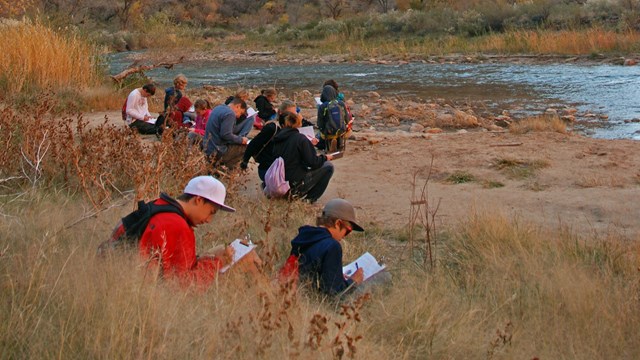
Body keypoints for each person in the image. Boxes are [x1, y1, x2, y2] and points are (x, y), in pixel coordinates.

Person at [138, 176, 237, 287]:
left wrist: (207, 257)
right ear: (198, 200)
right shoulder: (178, 226)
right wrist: (218, 262)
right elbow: (184, 285)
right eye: (211, 212)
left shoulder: (159, 206)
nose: (209, 220)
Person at [288, 198, 365, 296]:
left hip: (294, 294)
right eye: (348, 231)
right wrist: (354, 281)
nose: (344, 237)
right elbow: (334, 296)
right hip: (313, 302)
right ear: (337, 223)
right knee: (383, 277)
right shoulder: (332, 246)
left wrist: (337, 276)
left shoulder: (306, 237)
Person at [271, 111, 334, 203]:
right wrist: (324, 158)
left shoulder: (276, 139)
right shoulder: (300, 138)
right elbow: (313, 162)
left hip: (278, 182)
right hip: (294, 183)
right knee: (328, 166)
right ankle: (309, 200)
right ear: (298, 124)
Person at [203, 98, 252, 169]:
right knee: (246, 148)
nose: (238, 116)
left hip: (207, 148)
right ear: (238, 106)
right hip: (217, 151)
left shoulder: (218, 108)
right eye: (240, 113)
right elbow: (226, 135)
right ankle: (227, 169)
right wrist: (241, 140)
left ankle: (220, 167)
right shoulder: (230, 114)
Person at [317, 84, 353, 152]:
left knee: (318, 136)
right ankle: (339, 142)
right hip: (342, 131)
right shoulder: (341, 103)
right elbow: (347, 119)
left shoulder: (322, 106)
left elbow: (319, 123)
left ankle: (329, 143)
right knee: (339, 129)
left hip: (328, 133)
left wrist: (321, 130)